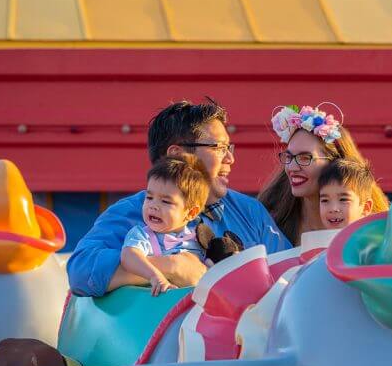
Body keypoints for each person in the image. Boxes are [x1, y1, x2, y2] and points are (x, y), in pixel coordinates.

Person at [67, 99, 290, 296]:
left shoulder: (249, 211)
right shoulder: (132, 212)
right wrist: (174, 266)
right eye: (219, 148)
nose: (230, 158)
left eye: (228, 147)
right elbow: (81, 271)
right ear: (177, 155)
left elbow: (290, 275)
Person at [258, 103, 388, 244]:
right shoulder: (268, 221)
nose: (292, 167)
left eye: (305, 158)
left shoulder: (375, 232)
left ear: (335, 163)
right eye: (289, 157)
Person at [121, 157, 209, 296]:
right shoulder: (143, 235)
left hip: (192, 309)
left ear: (191, 212)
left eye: (165, 202)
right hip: (156, 306)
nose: (153, 206)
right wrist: (154, 275)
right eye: (149, 198)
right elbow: (129, 256)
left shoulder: (196, 239)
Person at [318, 159, 375, 230]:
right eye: (325, 200)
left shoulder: (374, 240)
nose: (333, 209)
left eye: (343, 199)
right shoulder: (314, 239)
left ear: (366, 207)